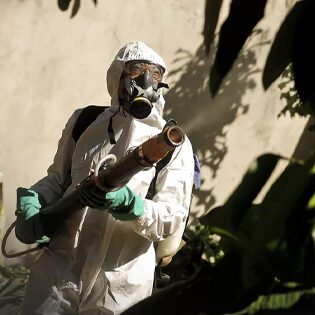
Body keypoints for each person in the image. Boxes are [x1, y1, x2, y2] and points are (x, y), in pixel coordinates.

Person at [15, 41, 194, 314]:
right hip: (58, 273)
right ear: (118, 77)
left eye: (154, 73)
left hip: (121, 283)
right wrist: (35, 199)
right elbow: (57, 178)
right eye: (136, 70)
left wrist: (131, 205)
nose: (146, 79)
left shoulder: (171, 144)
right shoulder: (85, 121)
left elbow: (172, 217)